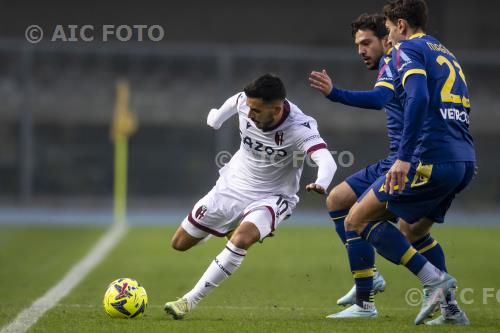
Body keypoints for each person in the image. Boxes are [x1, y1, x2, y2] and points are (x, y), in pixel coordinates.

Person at [329, 0, 475, 325]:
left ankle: (432, 281)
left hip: (425, 158)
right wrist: (463, 153)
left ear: (400, 26)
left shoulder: (406, 49)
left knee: (356, 220)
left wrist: (405, 159)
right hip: (461, 158)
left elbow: (419, 98)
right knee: (412, 230)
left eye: (389, 29)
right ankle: (451, 310)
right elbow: (456, 105)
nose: (389, 36)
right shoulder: (444, 52)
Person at [164, 73, 337, 320]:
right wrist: (216, 118)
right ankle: (226, 225)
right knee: (179, 244)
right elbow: (235, 102)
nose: (249, 113)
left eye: (256, 110)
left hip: (274, 196)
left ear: (276, 109)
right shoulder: (246, 103)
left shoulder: (300, 128)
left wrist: (321, 182)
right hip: (232, 185)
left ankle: (188, 301)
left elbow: (327, 161)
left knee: (242, 238)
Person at [309, 13, 401, 313]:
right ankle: (370, 279)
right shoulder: (395, 63)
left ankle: (367, 301)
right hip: (395, 157)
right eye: (357, 44)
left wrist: (334, 94)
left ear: (386, 39)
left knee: (362, 220)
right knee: (338, 200)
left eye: (366, 42)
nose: (361, 50)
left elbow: (378, 100)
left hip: (409, 161)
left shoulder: (397, 61)